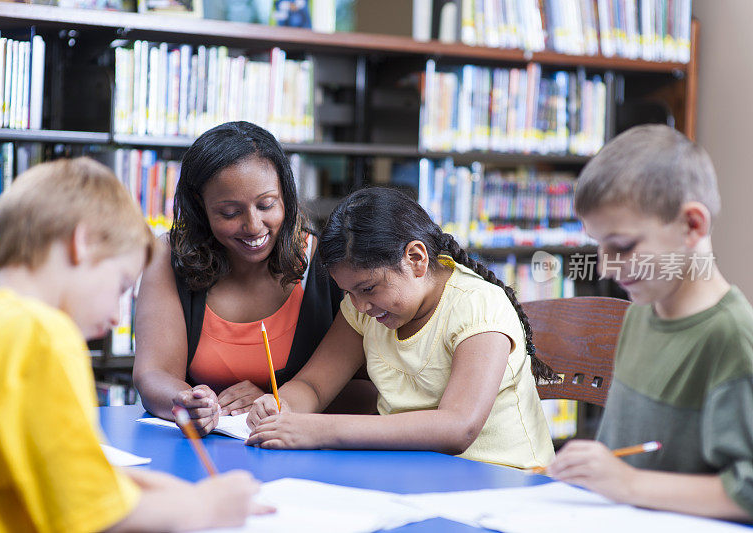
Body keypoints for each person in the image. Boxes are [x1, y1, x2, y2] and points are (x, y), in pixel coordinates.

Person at [0, 158, 269, 532]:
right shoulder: (41, 334)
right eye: (121, 286)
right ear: (81, 243)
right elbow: (95, 519)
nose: (118, 319)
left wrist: (163, 491)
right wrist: (204, 507)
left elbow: (52, 472)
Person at [246, 186, 556, 468]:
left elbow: (458, 427)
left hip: (504, 483)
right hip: (414, 475)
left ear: (416, 259)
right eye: (348, 292)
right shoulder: (366, 310)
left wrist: (319, 430)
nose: (359, 306)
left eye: (368, 288)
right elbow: (313, 385)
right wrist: (283, 405)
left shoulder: (477, 305)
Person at [545, 125, 753, 521]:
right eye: (598, 247)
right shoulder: (643, 310)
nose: (606, 266)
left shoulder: (731, 337)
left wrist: (628, 484)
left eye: (622, 247)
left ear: (692, 226)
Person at [133, 121, 374, 437]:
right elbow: (153, 375)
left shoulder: (327, 264)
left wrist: (273, 400)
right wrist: (186, 402)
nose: (253, 225)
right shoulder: (169, 256)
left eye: (267, 204)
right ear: (199, 206)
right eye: (230, 213)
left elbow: (373, 392)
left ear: (285, 195)